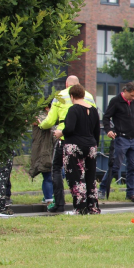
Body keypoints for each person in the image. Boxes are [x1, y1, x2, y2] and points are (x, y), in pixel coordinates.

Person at [39, 75, 97, 213]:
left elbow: (50, 120)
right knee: (89, 174)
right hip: (89, 142)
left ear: (67, 85)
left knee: (57, 169)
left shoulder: (60, 96)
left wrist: (41, 125)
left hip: (68, 140)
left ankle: (59, 203)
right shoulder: (89, 96)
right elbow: (93, 121)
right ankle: (91, 206)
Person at [54, 84, 101, 215]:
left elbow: (69, 128)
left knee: (76, 177)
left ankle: (81, 207)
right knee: (90, 177)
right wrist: (94, 146)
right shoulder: (93, 110)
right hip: (91, 146)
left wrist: (60, 133)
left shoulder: (73, 109)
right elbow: (97, 131)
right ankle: (93, 206)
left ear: (72, 96)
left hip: (75, 145)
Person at [102, 83, 134, 203]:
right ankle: (102, 189)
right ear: (125, 91)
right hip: (121, 138)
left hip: (133, 139)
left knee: (133, 166)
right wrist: (108, 130)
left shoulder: (133, 102)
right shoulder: (115, 101)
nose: (133, 98)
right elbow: (106, 117)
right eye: (131, 95)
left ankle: (130, 193)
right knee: (115, 166)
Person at [30, 105, 54, 206]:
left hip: (52, 150)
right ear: (47, 108)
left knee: (55, 175)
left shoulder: (53, 117)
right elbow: (46, 124)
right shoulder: (41, 117)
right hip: (44, 151)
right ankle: (49, 199)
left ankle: (49, 196)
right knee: (48, 174)